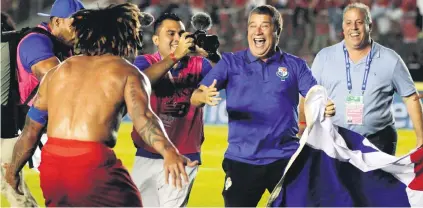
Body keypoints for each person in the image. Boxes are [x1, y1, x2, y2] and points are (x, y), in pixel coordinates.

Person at [4, 3, 195, 207]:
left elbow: (31, 131)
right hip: (93, 164)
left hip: (52, 166)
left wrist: (13, 171)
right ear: (124, 36)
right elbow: (144, 119)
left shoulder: (57, 73)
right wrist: (169, 152)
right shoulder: (126, 72)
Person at [190, 5, 335, 207]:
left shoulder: (295, 65)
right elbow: (195, 96)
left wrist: (323, 106)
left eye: (264, 26)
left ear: (277, 32)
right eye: (252, 26)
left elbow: (314, 95)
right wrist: (201, 95)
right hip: (242, 160)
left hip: (285, 159)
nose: (257, 31)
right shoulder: (231, 62)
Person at [304, 2, 423, 154]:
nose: (353, 28)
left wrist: (421, 138)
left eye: (359, 22)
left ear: (370, 26)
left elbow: (411, 97)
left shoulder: (390, 59)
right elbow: (309, 96)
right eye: (348, 23)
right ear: (342, 27)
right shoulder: (324, 57)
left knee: (378, 178)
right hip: (334, 141)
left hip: (378, 141)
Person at [131, 13, 218, 207]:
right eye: (170, 33)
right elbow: (141, 82)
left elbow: (228, 76)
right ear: (156, 39)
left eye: (180, 33)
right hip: (147, 153)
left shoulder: (199, 64)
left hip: (184, 156)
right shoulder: (144, 62)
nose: (178, 38)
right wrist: (174, 56)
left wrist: (212, 55)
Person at [17, 0, 85, 172]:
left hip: (57, 130)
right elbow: (59, 82)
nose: (82, 30)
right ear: (57, 21)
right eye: (76, 24)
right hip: (41, 133)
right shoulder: (35, 42)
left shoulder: (65, 44)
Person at [1, 11, 38, 207]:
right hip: (8, 127)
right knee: (12, 187)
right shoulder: (13, 41)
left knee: (12, 187)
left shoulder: (10, 43)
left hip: (6, 129)